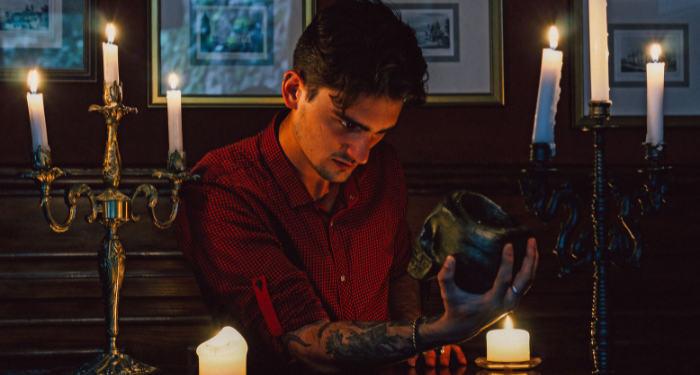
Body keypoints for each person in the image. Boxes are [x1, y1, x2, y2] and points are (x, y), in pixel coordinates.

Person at [177, 0, 538, 372]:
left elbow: (398, 271)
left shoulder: (383, 168)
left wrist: (415, 336)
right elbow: (307, 340)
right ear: (293, 92)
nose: (362, 154)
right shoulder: (223, 189)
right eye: (348, 125)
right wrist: (433, 331)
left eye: (378, 133)